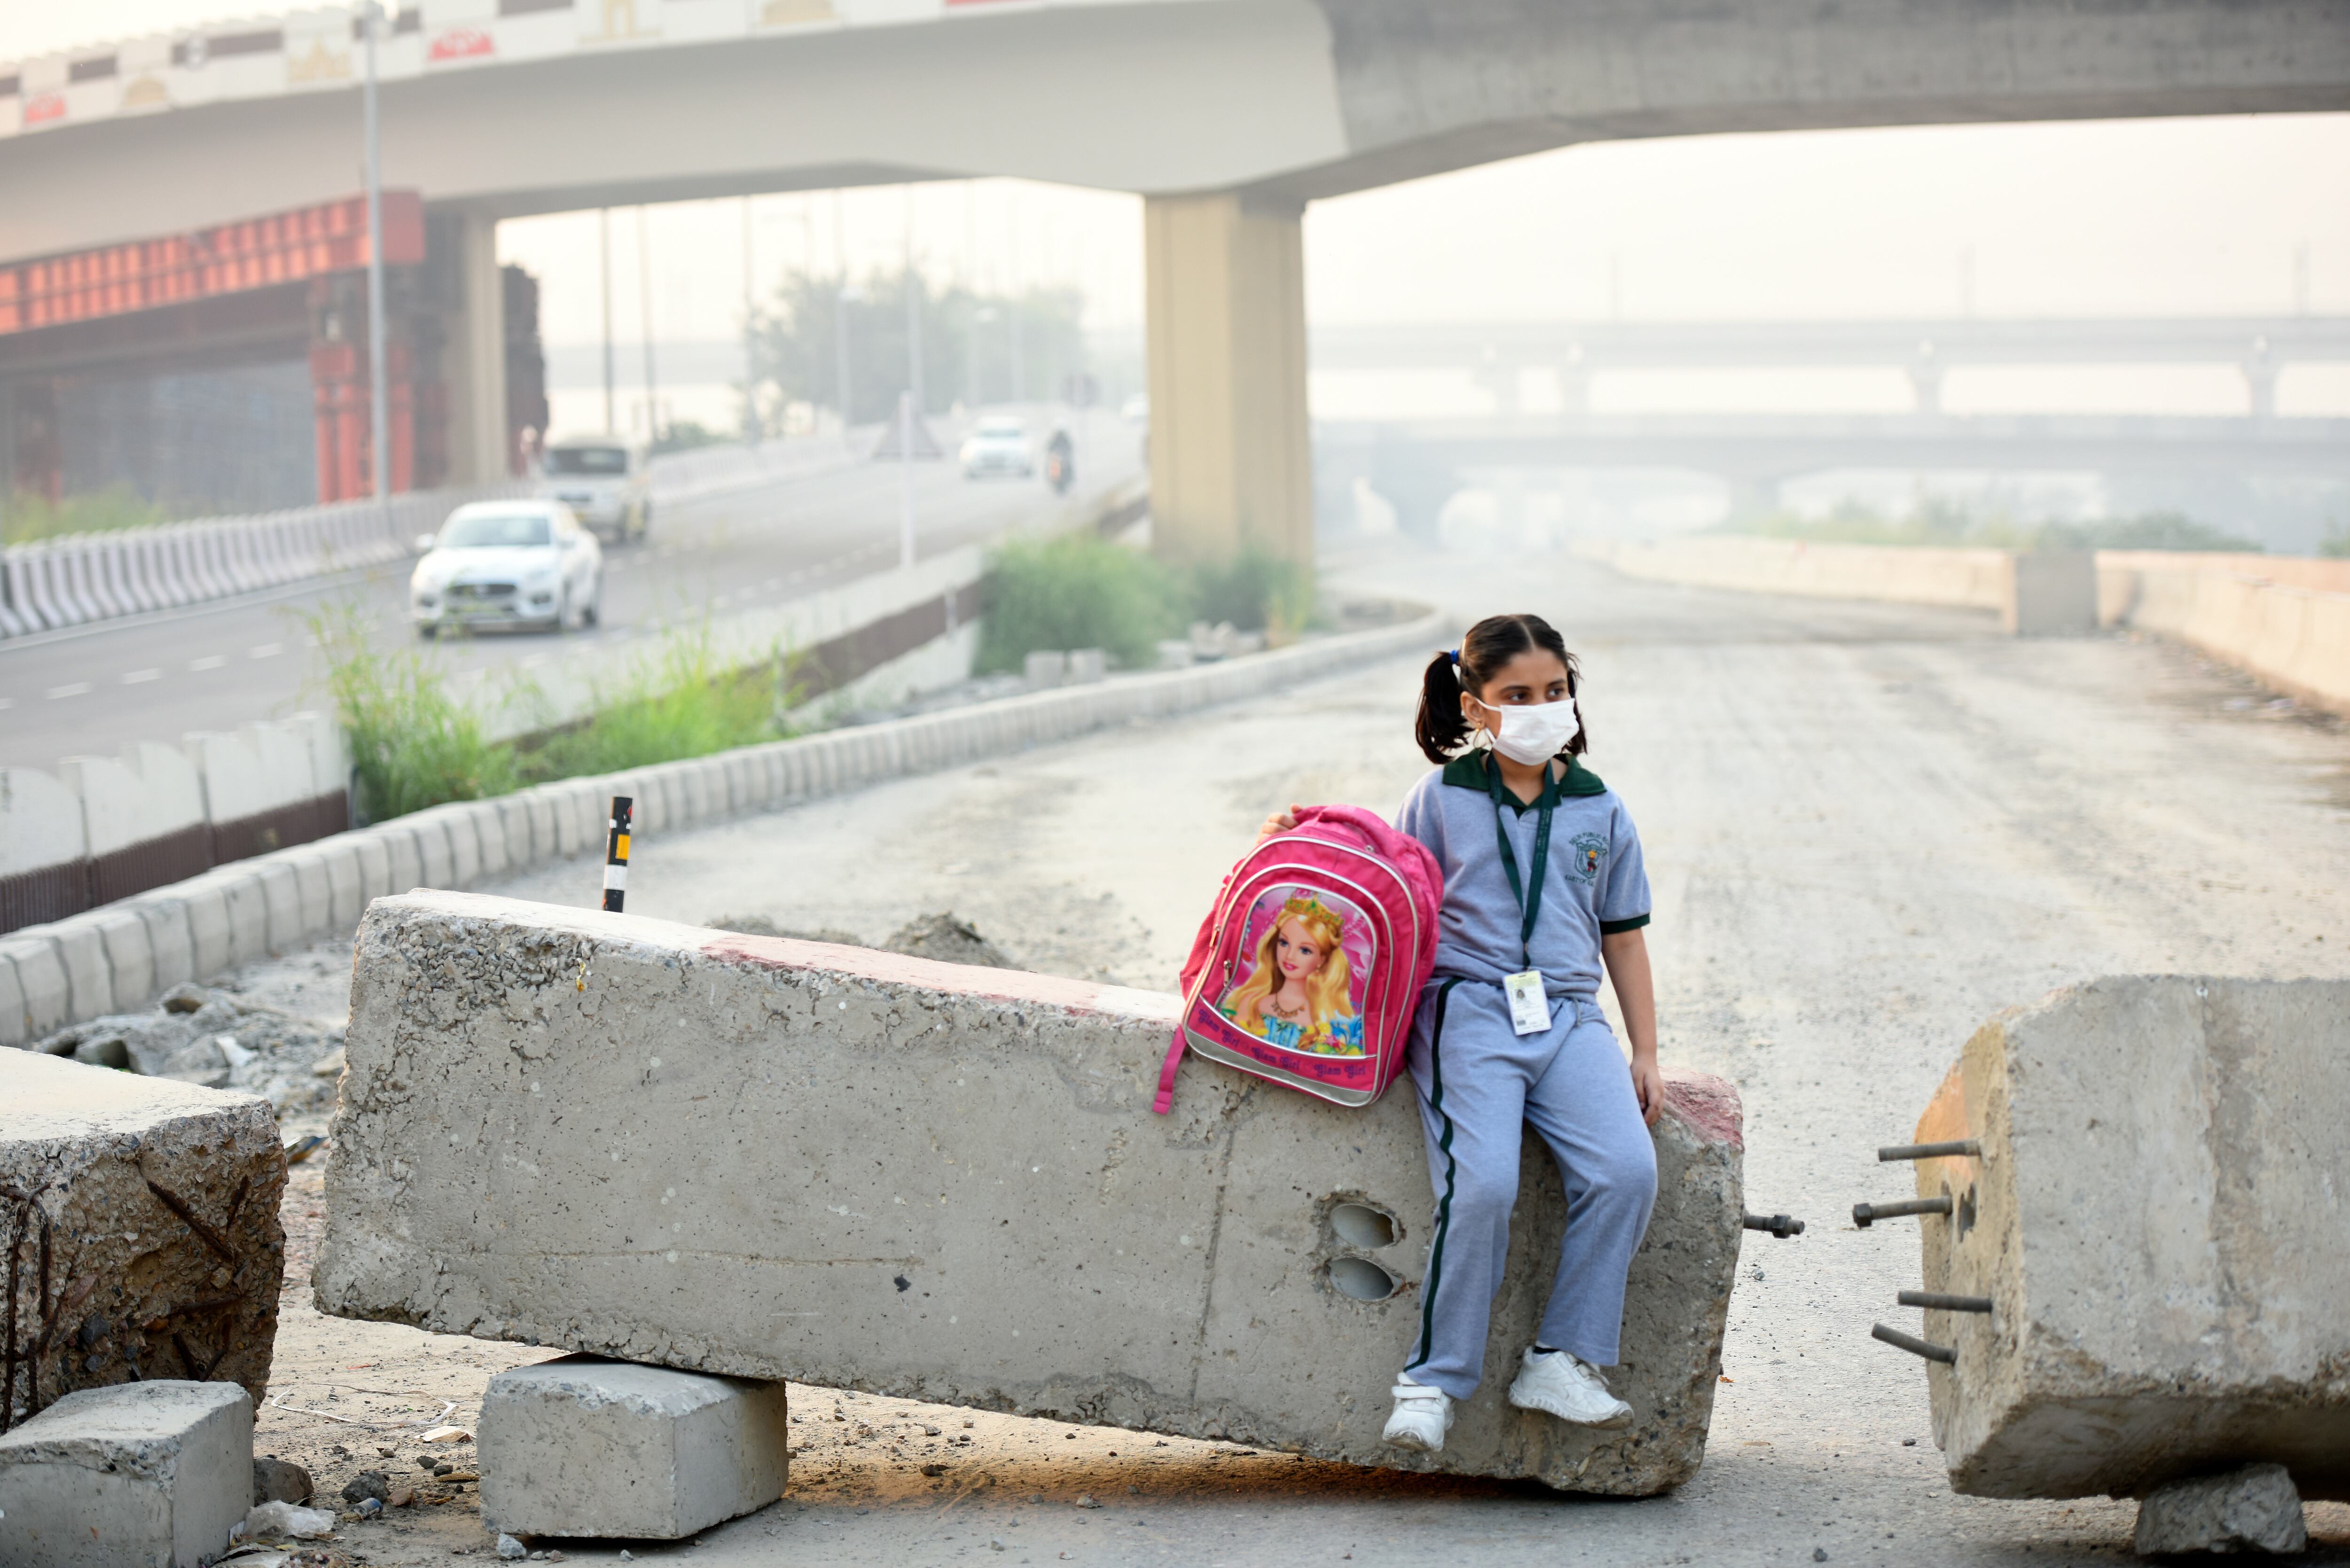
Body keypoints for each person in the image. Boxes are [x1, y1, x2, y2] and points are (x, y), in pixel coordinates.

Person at [1257, 612, 1662, 1453]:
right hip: (1468, 1013)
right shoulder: (1438, 798)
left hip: (1570, 1018)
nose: (1542, 707)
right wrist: (1304, 835)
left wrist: (1647, 1050)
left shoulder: (1600, 807)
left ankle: (1563, 1359)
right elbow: (1384, 882)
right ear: (1477, 708)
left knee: (1626, 1170)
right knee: (1482, 1189)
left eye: (1555, 692)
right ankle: (1432, 1381)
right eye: (1519, 695)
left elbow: (1623, 934)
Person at [1218, 895, 1365, 1056]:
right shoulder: (1250, 1001)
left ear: (1322, 960)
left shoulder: (1328, 1020)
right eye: (1284, 943)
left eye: (1305, 950)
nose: (1289, 956)